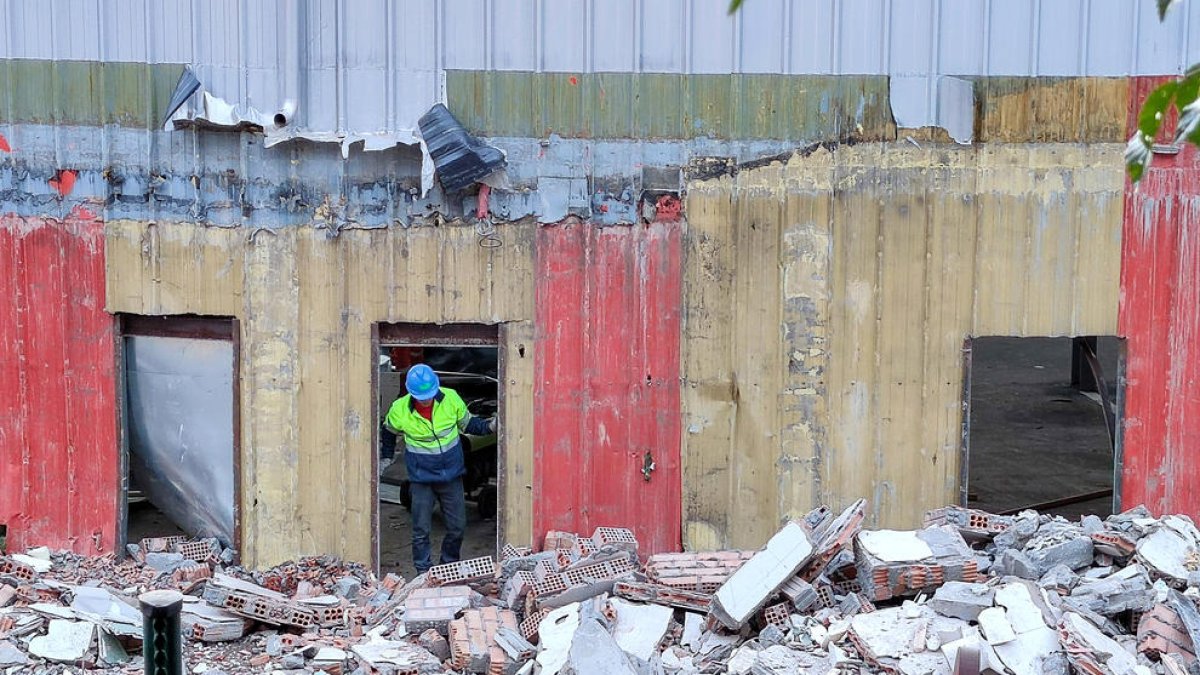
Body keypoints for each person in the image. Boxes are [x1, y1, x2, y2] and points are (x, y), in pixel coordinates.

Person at [384, 363, 495, 573]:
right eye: (422, 397)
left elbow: (469, 425)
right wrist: (386, 456)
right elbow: (388, 430)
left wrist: (490, 426)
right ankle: (423, 571)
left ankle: (448, 566)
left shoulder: (451, 398)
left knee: (457, 527)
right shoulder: (399, 409)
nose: (427, 399)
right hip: (421, 479)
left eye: (430, 395)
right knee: (420, 530)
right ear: (411, 393)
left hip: (451, 475)